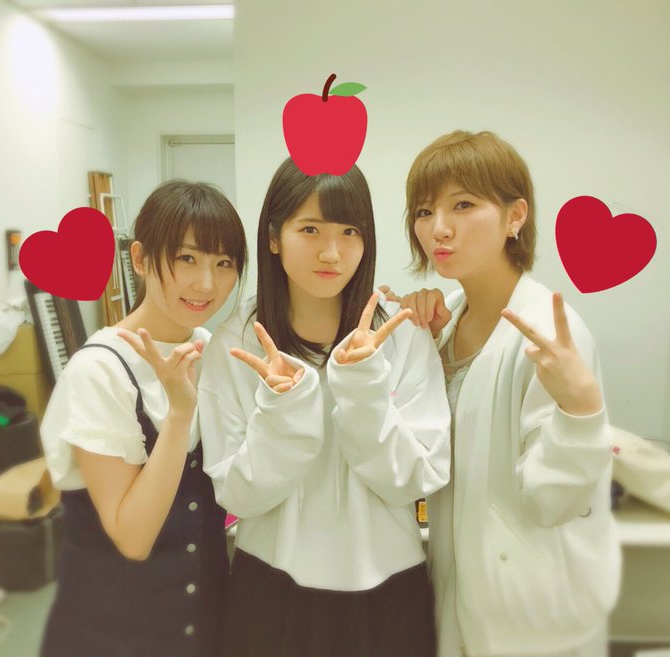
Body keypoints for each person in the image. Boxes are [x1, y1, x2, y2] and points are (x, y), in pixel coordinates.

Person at [199, 158, 451, 657]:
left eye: (349, 231)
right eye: (310, 229)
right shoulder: (235, 345)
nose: (332, 252)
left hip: (389, 591)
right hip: (271, 592)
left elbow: (415, 478)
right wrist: (284, 409)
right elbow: (238, 494)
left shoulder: (401, 336)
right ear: (274, 237)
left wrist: (363, 387)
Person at [384, 130, 621, 657]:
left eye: (463, 205)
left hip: (530, 618)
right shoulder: (446, 321)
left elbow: (552, 499)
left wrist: (582, 412)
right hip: (455, 599)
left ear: (516, 216)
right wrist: (414, 345)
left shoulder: (547, 333)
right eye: (424, 211)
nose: (438, 227)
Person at [39, 180, 247, 657]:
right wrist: (179, 413)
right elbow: (133, 538)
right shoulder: (99, 370)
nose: (206, 284)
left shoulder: (212, 351)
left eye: (223, 263)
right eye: (186, 258)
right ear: (139, 259)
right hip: (110, 634)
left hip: (203, 625)